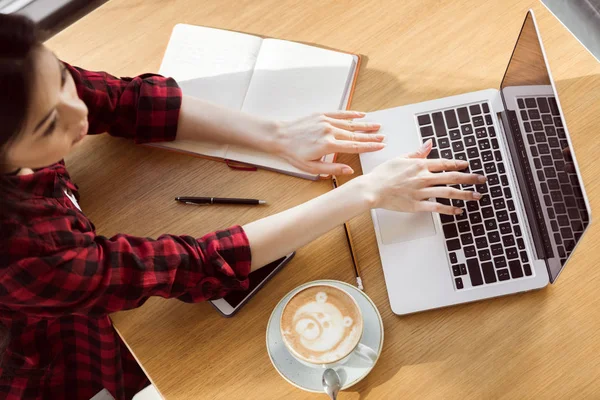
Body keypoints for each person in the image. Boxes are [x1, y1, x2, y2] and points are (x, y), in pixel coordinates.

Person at [0, 14, 485, 400]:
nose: (78, 110)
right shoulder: (21, 255)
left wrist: (275, 135)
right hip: (58, 347)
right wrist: (365, 193)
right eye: (48, 126)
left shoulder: (21, 76)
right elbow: (191, 266)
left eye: (63, 77)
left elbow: (125, 101)